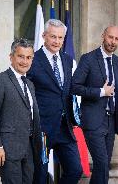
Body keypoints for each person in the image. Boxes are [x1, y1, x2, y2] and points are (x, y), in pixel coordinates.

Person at [27, 19, 82, 184]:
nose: (57, 41)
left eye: (60, 38)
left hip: (64, 128)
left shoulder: (67, 60)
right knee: (40, 176)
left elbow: (68, 90)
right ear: (44, 36)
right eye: (53, 37)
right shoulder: (33, 60)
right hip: (42, 130)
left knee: (75, 170)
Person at [0, 39, 42, 184]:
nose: (25, 61)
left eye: (29, 57)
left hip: (29, 150)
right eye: (20, 56)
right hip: (7, 150)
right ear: (11, 57)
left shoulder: (30, 84)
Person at [72, 26, 118, 184]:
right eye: (110, 37)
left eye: (116, 39)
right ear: (103, 36)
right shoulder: (89, 59)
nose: (112, 42)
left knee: (104, 166)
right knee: (101, 163)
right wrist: (101, 92)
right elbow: (74, 86)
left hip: (111, 121)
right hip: (93, 121)